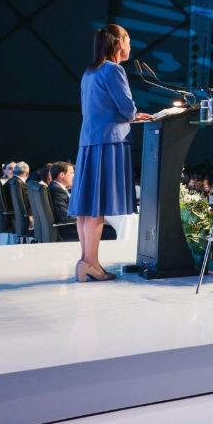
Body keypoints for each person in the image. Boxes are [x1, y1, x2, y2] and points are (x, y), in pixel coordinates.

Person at [68, 24, 152, 282]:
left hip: (89, 142)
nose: (130, 47)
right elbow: (127, 108)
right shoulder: (113, 69)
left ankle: (86, 261)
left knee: (87, 207)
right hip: (109, 142)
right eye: (129, 41)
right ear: (119, 42)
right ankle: (91, 263)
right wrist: (132, 115)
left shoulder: (90, 72)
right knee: (97, 207)